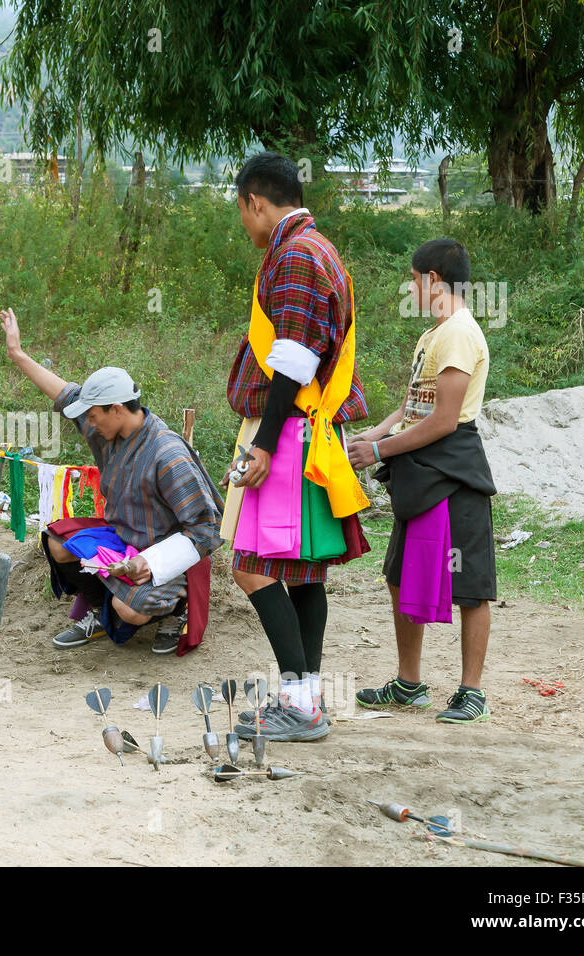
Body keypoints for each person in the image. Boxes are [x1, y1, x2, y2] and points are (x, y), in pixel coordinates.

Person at [224, 151, 372, 740]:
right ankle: (305, 699)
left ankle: (298, 700)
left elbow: (293, 360)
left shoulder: (294, 255)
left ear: (255, 202)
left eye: (242, 211)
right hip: (309, 430)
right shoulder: (318, 250)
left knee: (251, 567)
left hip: (288, 433)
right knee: (306, 573)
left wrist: (261, 444)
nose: (244, 224)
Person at [1, 308, 225, 655]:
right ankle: (97, 610)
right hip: (121, 541)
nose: (88, 423)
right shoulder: (105, 428)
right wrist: (18, 354)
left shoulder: (168, 455)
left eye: (93, 415)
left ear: (116, 409)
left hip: (165, 554)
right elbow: (63, 394)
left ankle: (175, 609)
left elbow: (207, 530)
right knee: (58, 544)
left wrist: (153, 563)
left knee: (130, 610)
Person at [347, 239, 497, 724]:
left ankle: (471, 692)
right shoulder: (433, 335)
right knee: (399, 576)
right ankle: (409, 683)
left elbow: (445, 419)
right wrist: (376, 430)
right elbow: (416, 405)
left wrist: (378, 450)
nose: (412, 288)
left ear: (432, 279)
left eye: (414, 280)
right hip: (419, 471)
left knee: (470, 585)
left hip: (451, 469)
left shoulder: (458, 333)